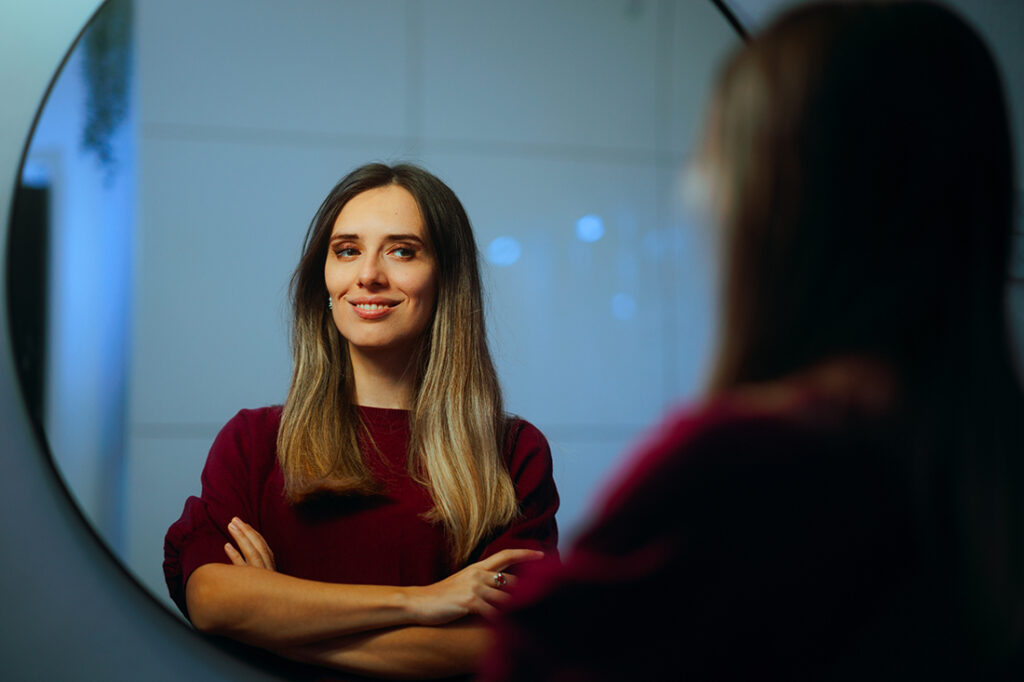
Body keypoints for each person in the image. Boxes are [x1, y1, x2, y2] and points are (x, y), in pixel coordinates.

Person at [480, 2, 1023, 679]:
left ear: (784, 193)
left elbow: (520, 658)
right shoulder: (981, 458)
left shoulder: (743, 467)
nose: (696, 193)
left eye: (713, 156)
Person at [163, 163, 559, 681]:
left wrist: (277, 626)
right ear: (323, 279)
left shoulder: (511, 451)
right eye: (347, 250)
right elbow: (214, 601)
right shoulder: (254, 441)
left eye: (402, 250)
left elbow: (499, 647)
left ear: (446, 279)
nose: (368, 274)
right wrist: (423, 603)